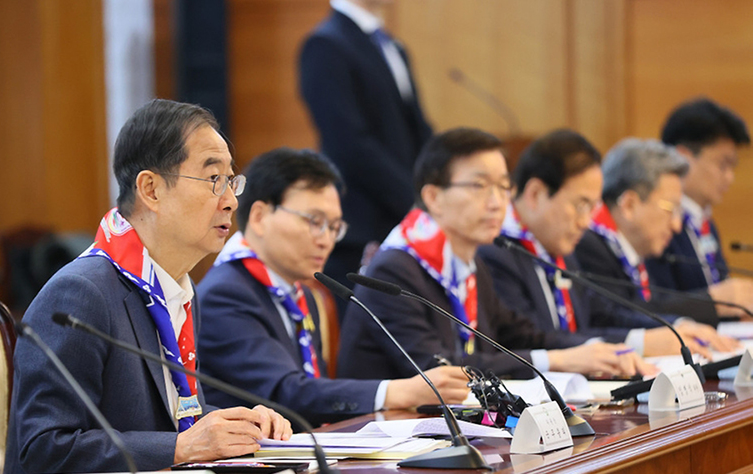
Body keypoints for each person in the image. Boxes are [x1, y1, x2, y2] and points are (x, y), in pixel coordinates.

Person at [3, 100, 291, 474]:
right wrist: (183, 447)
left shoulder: (178, 290)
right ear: (151, 189)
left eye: (231, 181)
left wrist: (243, 425)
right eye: (212, 180)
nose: (231, 200)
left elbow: (171, 419)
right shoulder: (80, 295)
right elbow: (42, 449)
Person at [337, 128, 654, 382]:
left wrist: (593, 351)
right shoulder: (393, 271)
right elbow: (439, 367)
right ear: (433, 196)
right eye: (479, 186)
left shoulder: (470, 264)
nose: (496, 203)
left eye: (503, 188)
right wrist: (558, 360)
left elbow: (520, 335)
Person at [196, 148, 469, 426]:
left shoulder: (303, 295)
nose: (325, 240)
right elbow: (284, 392)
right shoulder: (226, 294)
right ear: (259, 217)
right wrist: (400, 391)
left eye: (334, 227)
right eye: (315, 222)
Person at [480, 131, 736, 359]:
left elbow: (602, 314)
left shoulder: (560, 249)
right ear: (536, 194)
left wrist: (673, 326)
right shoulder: (497, 252)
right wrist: (639, 343)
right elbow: (529, 338)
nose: (586, 222)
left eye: (592, 208)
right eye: (580, 206)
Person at [299, 0, 433, 306]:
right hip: (364, 225)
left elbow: (418, 129)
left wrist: (437, 189)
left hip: (405, 221)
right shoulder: (325, 45)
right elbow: (349, 145)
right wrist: (415, 204)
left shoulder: (391, 45)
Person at [576, 138, 742, 335]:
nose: (676, 226)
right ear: (629, 205)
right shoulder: (588, 246)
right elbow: (615, 317)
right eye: (670, 209)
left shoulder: (642, 251)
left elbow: (649, 306)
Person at [647, 98, 753, 316]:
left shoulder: (706, 224)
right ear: (683, 157)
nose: (730, 177)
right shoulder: (658, 222)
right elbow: (651, 303)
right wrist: (714, 302)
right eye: (722, 165)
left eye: (732, 167)